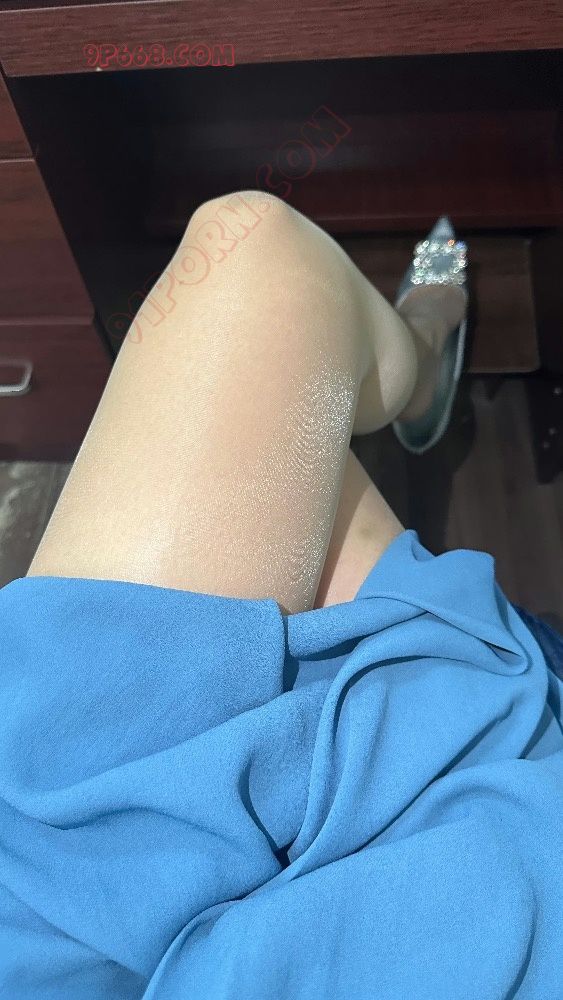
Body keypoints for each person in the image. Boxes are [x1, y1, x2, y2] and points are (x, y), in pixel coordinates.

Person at [0, 192, 562, 999]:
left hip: (69, 905)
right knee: (269, 271)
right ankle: (421, 353)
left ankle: (418, 362)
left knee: (260, 277)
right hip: (468, 855)